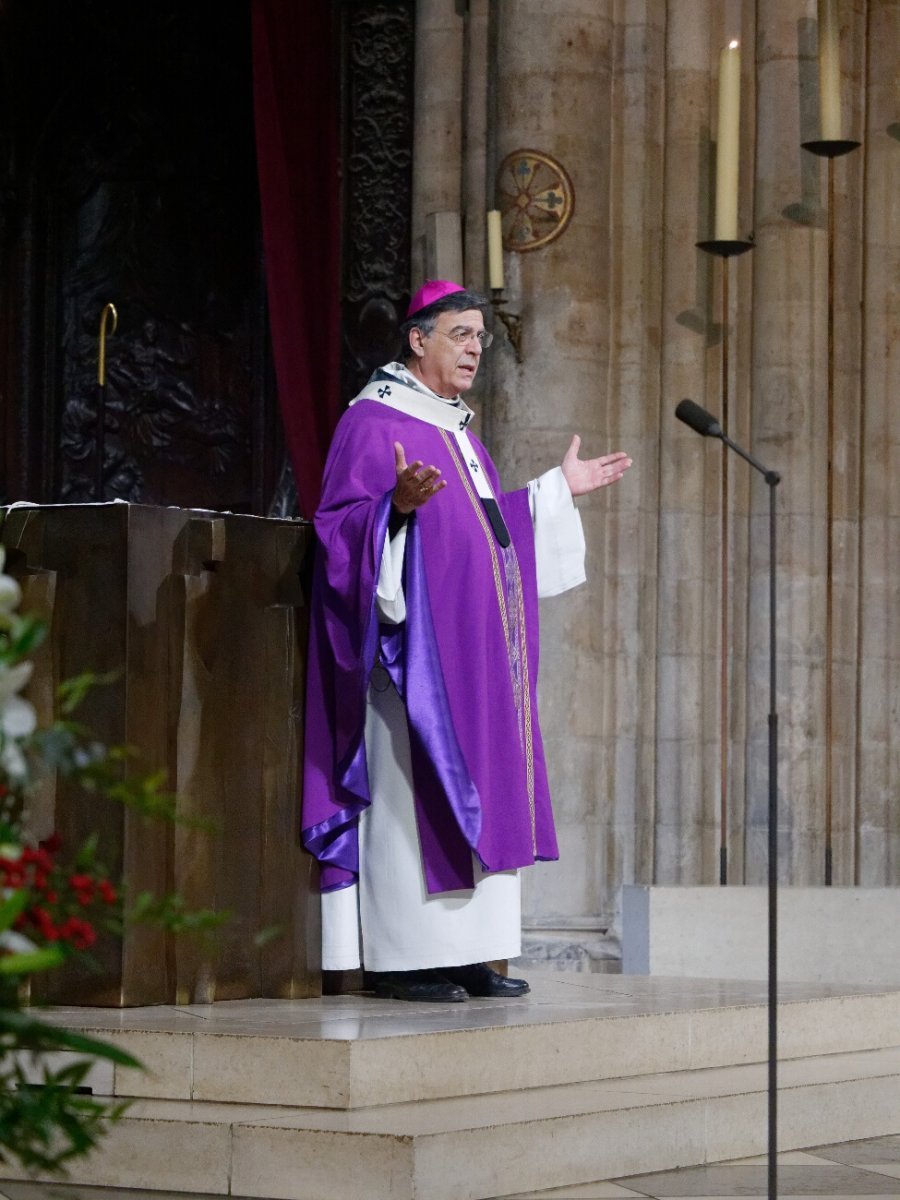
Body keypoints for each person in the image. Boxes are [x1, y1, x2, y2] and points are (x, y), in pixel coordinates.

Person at [302, 280, 631, 1002]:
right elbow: (336, 532)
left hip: (473, 660)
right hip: (408, 664)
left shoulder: (461, 434)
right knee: (411, 809)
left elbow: (485, 532)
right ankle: (405, 961)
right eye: (461, 334)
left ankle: (467, 955)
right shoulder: (372, 420)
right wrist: (393, 509)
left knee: (482, 791)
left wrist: (551, 492)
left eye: (481, 336)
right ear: (417, 340)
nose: (477, 348)